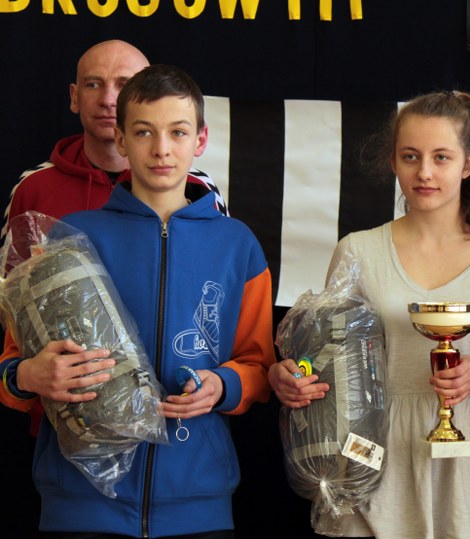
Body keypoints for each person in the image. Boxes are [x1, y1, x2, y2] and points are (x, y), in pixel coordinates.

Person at [0, 64, 274, 537]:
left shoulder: (237, 245)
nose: (161, 149)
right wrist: (28, 375)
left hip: (196, 503)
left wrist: (223, 385)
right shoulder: (71, 239)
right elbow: (11, 364)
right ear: (122, 140)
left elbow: (258, 366)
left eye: (178, 132)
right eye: (144, 132)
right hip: (80, 504)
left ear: (201, 140)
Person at [270, 90, 470, 538]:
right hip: (370, 454)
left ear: (469, 163)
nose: (424, 172)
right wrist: (291, 376)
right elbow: (322, 363)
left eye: (441, 157)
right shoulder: (357, 251)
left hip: (465, 464)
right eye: (411, 156)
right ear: (393, 161)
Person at [1, 39, 228, 243]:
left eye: (125, 85)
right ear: (75, 97)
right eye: (93, 84)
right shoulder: (33, 186)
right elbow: (11, 275)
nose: (108, 100)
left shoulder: (197, 188)